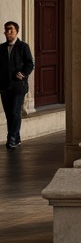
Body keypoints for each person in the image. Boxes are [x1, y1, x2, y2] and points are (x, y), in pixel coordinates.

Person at [1, 21, 33, 150]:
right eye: (6, 30)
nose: (8, 32)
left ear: (17, 31)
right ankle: (16, 137)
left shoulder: (23, 47)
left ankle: (12, 138)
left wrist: (23, 74)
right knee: (9, 113)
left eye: (11, 30)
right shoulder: (1, 48)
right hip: (4, 86)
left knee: (15, 112)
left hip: (19, 86)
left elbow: (30, 63)